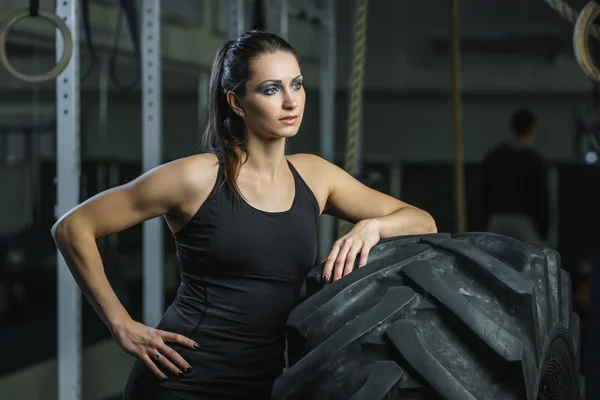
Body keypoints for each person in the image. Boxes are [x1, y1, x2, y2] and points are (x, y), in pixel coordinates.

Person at [51, 30, 437, 400]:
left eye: (297, 84)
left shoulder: (316, 176)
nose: (291, 101)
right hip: (182, 381)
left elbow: (423, 221)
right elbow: (73, 227)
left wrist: (372, 226)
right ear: (236, 102)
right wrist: (121, 325)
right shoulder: (195, 177)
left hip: (264, 383)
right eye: (271, 89)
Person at [482, 109, 550, 244]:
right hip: (524, 221)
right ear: (532, 129)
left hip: (497, 219)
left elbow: (484, 191)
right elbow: (541, 197)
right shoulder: (535, 160)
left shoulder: (495, 157)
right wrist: (544, 231)